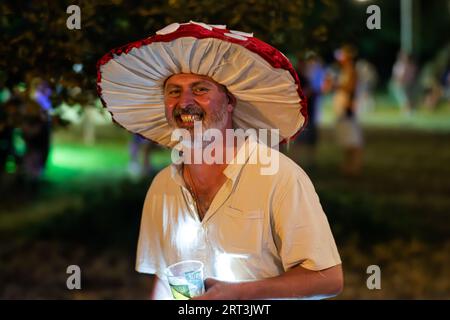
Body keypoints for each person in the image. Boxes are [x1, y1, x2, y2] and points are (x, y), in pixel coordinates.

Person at [97, 21, 343, 300]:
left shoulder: (279, 177)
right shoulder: (162, 187)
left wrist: (240, 294)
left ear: (229, 103)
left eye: (200, 89)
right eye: (173, 91)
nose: (184, 102)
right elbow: (167, 282)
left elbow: (328, 278)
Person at [331, 45, 364, 177]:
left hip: (347, 109)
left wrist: (335, 84)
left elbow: (350, 88)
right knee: (347, 140)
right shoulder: (346, 70)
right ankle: (348, 167)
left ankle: (354, 167)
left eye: (342, 55)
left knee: (353, 140)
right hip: (343, 109)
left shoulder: (351, 70)